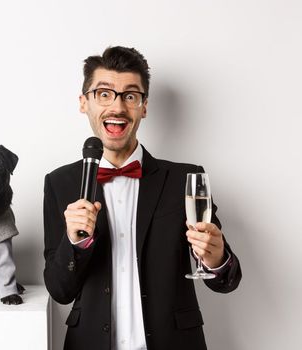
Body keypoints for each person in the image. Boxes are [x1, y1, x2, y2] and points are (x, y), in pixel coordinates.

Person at [42, 46, 242, 350]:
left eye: (130, 96)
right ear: (84, 103)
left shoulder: (184, 179)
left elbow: (227, 280)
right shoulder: (60, 183)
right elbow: (59, 290)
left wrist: (215, 259)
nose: (118, 107)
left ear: (144, 106)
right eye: (104, 94)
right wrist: (75, 243)